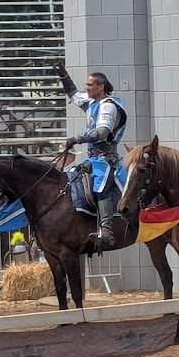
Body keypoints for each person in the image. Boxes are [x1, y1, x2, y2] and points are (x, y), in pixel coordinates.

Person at [53, 63, 128, 250]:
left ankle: (107, 230)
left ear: (101, 87)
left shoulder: (108, 106)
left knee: (100, 188)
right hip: (92, 158)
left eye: (89, 85)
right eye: (86, 85)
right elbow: (74, 94)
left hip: (106, 159)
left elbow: (102, 131)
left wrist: (77, 138)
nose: (86, 88)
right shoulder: (91, 102)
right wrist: (63, 75)